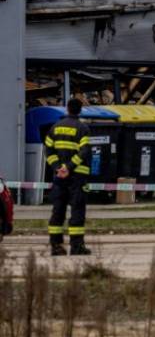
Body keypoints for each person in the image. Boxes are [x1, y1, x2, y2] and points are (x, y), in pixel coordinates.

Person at [45, 98, 92, 256]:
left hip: (59, 177)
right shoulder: (83, 128)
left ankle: (56, 246)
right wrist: (69, 167)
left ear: (67, 109)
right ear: (80, 110)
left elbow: (48, 151)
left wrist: (58, 167)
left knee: (58, 210)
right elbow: (84, 151)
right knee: (77, 210)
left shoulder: (55, 127)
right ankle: (77, 247)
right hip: (77, 177)